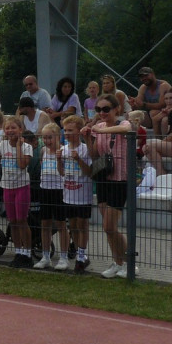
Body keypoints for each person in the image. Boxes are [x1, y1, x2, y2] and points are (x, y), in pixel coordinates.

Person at [81, 94, 134, 278]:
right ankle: (117, 261)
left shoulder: (124, 123)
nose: (102, 113)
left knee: (109, 226)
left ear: (116, 109)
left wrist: (98, 129)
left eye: (106, 109)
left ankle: (129, 262)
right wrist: (89, 137)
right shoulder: (99, 127)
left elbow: (124, 129)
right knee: (108, 227)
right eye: (98, 110)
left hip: (119, 179)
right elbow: (94, 154)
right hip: (104, 178)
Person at [0, 116, 34, 268]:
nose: (10, 131)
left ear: (20, 130)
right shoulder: (2, 145)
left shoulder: (27, 147)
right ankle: (18, 252)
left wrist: (20, 147)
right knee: (13, 221)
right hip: (7, 187)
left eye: (13, 128)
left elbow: (22, 165)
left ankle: (27, 253)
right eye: (7, 128)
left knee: (22, 220)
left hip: (21, 186)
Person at [58, 115, 93, 273]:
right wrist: (59, 160)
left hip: (83, 195)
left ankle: (81, 255)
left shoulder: (85, 149)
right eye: (65, 130)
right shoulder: (63, 149)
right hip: (68, 194)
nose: (67, 133)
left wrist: (78, 159)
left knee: (82, 224)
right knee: (72, 225)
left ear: (79, 131)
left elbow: (90, 172)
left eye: (70, 130)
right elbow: (61, 172)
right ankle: (79, 253)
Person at [34, 123, 68, 269]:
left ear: (58, 136)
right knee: (45, 224)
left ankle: (64, 257)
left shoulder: (64, 151)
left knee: (61, 224)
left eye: (50, 137)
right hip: (45, 189)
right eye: (45, 138)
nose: (47, 141)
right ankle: (46, 256)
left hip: (59, 191)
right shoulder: (43, 151)